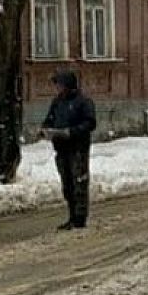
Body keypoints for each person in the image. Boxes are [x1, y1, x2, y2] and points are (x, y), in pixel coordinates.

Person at [41, 70, 96, 230]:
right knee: (67, 184)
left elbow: (90, 123)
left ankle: (79, 218)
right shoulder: (57, 102)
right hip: (61, 148)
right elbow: (49, 119)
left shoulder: (83, 101)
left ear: (68, 86)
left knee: (78, 182)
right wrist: (45, 129)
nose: (57, 88)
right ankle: (72, 215)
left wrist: (71, 132)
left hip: (77, 148)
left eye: (59, 84)